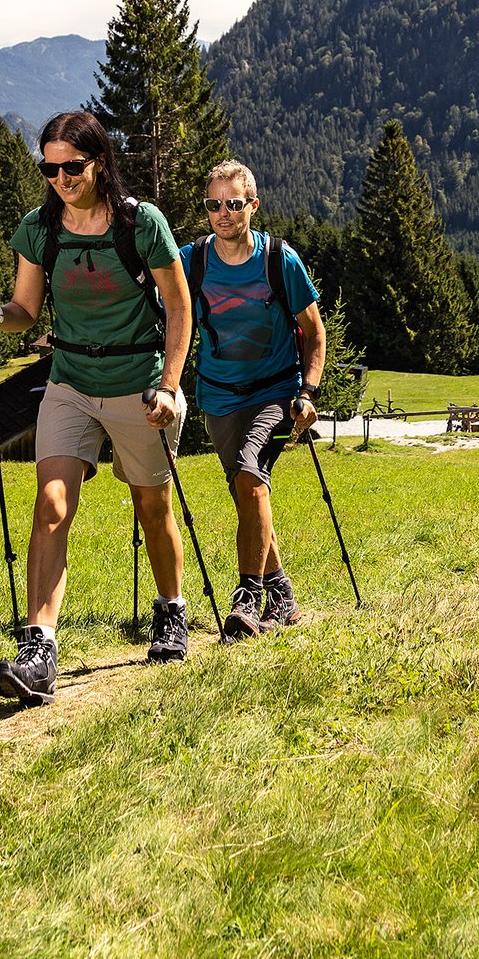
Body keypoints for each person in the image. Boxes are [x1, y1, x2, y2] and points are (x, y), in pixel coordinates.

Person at [0, 109, 194, 705]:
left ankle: (171, 607)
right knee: (51, 500)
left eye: (73, 166)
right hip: (68, 379)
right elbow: (25, 311)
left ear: (100, 162)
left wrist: (170, 384)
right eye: (50, 167)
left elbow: (178, 305)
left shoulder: (142, 224)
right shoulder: (40, 229)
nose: (61, 177)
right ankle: (39, 647)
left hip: (139, 383)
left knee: (151, 503)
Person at [179, 160, 326, 641]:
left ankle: (249, 597)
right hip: (217, 396)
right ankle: (282, 592)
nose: (223, 213)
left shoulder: (279, 260)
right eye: (213, 204)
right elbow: (148, 291)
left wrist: (307, 392)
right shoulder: (192, 260)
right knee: (248, 492)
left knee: (249, 475)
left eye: (234, 203)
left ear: (253, 206)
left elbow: (314, 332)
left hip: (276, 392)